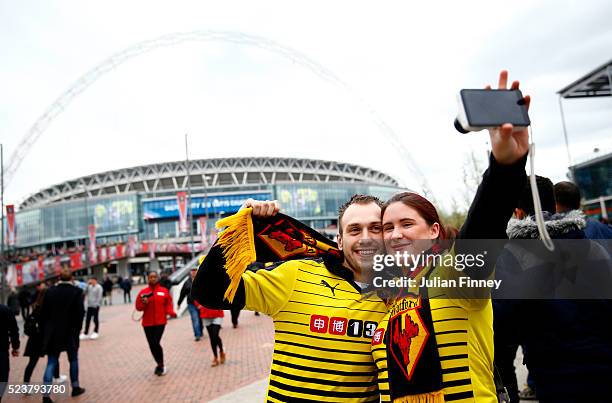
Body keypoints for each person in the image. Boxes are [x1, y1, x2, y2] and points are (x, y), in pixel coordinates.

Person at [371, 70, 531, 402]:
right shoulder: (393, 294)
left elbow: (483, 229)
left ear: (433, 231)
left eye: (406, 224)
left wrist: (505, 167)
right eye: (387, 227)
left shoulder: (455, 271)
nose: (396, 234)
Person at [193, 195, 388, 402]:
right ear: (340, 240)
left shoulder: (400, 294)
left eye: (376, 228)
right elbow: (209, 292)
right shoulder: (295, 275)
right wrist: (239, 226)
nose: (366, 238)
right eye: (354, 229)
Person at [494, 175, 612, 403]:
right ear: (552, 204)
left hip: (555, 378)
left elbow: (504, 326)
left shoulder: (512, 257)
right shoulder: (593, 246)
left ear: (518, 213)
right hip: (604, 368)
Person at [39, 268, 86, 401]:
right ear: (71, 278)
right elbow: (80, 313)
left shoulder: (50, 292)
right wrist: (78, 329)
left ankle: (46, 395)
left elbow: (44, 314)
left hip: (53, 332)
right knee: (73, 359)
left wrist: (45, 331)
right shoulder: (77, 292)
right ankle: (75, 387)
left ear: (59, 278)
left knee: (52, 362)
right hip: (70, 332)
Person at [22, 283, 66, 385]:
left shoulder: (36, 307)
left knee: (32, 363)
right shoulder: (49, 309)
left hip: (35, 339)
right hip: (47, 338)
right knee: (53, 359)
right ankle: (57, 377)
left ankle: (26, 385)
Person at [135, 271, 177, 376]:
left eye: (154, 277)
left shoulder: (164, 291)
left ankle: (161, 365)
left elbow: (168, 304)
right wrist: (144, 303)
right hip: (147, 323)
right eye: (150, 277)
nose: (152, 279)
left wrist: (171, 312)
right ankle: (159, 364)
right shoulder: (143, 292)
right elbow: (138, 307)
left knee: (155, 343)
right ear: (148, 279)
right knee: (152, 345)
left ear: (157, 278)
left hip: (160, 322)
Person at [195, 301, 225, 366]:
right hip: (206, 314)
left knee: (215, 335)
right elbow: (195, 293)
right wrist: (198, 304)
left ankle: (221, 351)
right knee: (212, 337)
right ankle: (215, 357)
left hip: (217, 313)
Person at [0, 302, 20, 401]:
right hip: (1, 349)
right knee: (3, 375)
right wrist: (15, 347)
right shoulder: (5, 310)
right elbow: (14, 330)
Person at [178, 267, 203, 341]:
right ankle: (197, 335)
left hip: (201, 304)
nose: (194, 272)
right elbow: (182, 293)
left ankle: (200, 331)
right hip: (191, 304)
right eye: (192, 271)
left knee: (200, 319)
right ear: (190, 272)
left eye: (195, 270)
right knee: (195, 319)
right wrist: (179, 303)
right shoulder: (187, 282)